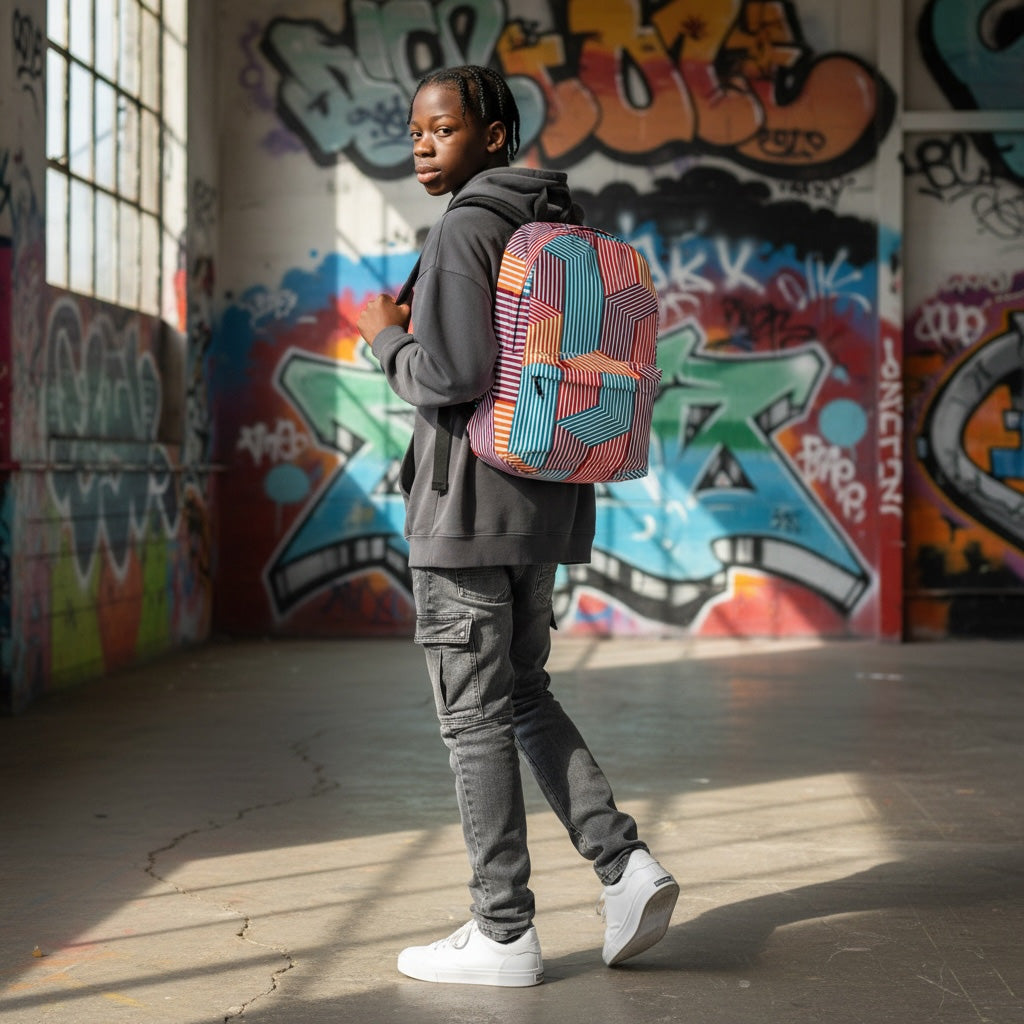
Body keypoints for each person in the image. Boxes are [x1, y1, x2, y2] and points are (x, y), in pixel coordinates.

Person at [357, 64, 678, 988]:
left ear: (494, 135)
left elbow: (449, 378)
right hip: (544, 502)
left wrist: (385, 335)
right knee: (525, 694)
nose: (423, 143)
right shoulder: (554, 225)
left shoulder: (465, 226)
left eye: (443, 128)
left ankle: (502, 931)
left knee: (472, 720)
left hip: (467, 511)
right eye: (416, 130)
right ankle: (625, 866)